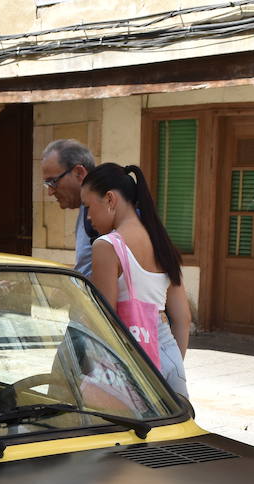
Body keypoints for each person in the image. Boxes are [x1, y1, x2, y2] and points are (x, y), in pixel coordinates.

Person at [80, 162, 192, 397]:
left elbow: (105, 321)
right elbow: (183, 318)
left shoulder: (107, 245)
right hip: (170, 356)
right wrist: (172, 363)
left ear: (110, 199)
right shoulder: (161, 242)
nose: (88, 218)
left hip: (132, 359)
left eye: (88, 207)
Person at [39, 138, 98, 276]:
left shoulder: (101, 214)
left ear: (79, 173)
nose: (50, 191)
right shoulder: (85, 209)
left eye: (53, 182)